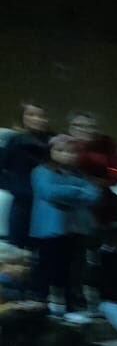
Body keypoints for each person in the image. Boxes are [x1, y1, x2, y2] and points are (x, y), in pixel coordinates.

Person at [30, 135, 100, 325]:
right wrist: (77, 192)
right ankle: (46, 307)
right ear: (51, 152)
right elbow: (50, 193)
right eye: (60, 150)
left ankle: (70, 306)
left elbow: (94, 194)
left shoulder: (80, 174)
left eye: (71, 151)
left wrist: (69, 191)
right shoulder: (41, 171)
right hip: (51, 228)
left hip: (76, 228)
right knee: (50, 267)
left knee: (73, 269)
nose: (66, 155)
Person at [2, 102, 52, 268]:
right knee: (17, 248)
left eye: (41, 116)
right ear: (23, 118)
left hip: (47, 204)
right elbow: (3, 166)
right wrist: (13, 186)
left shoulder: (54, 142)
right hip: (22, 201)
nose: (37, 119)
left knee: (45, 250)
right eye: (31, 115)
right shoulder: (15, 140)